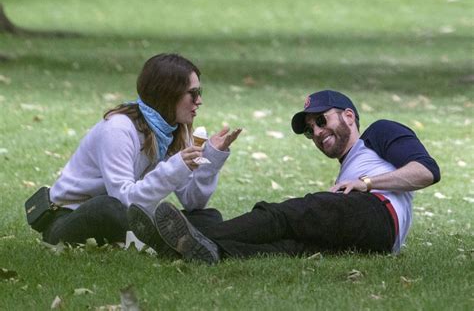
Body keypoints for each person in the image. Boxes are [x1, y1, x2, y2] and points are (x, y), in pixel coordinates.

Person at [132, 89, 441, 264]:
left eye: (321, 120)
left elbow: (427, 172)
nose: (318, 133)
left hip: (377, 212)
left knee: (282, 216)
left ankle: (189, 239)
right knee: (289, 246)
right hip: (373, 239)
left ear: (348, 116)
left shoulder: (380, 132)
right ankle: (207, 250)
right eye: (311, 130)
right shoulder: (350, 166)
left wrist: (367, 184)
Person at [35, 53, 241, 249]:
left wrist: (211, 158)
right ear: (168, 94)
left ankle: (168, 243)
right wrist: (176, 166)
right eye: (193, 94)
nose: (199, 101)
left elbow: (192, 201)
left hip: (129, 216)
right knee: (106, 206)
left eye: (199, 93)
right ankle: (170, 243)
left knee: (208, 217)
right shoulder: (118, 129)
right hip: (70, 217)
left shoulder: (176, 130)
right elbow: (124, 201)